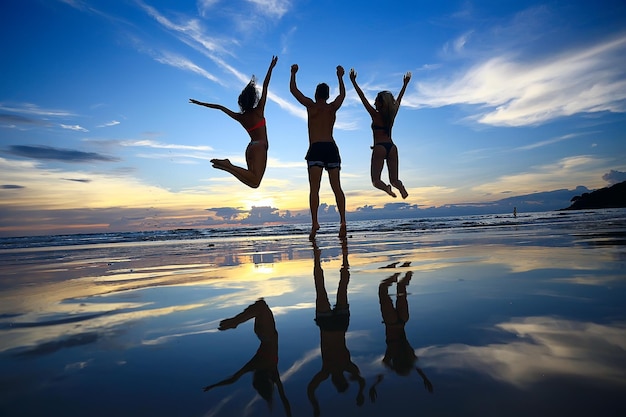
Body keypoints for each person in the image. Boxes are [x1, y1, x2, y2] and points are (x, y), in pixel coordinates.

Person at [190, 55, 278, 188]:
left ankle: (227, 167)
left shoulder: (241, 117)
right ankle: (228, 165)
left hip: (250, 148)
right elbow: (265, 86)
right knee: (256, 180)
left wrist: (200, 103)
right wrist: (271, 67)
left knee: (253, 183)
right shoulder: (259, 110)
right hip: (260, 147)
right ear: (253, 98)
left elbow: (220, 107)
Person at [203, 299, 292, 416]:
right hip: (262, 334)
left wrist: (287, 412)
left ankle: (235, 322)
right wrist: (213, 386)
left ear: (268, 381)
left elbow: (283, 397)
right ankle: (235, 322)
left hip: (267, 334)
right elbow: (233, 379)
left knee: (261, 306)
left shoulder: (272, 371)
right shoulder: (254, 366)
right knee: (260, 306)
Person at [307, 240, 365, 417]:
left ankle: (322, 259)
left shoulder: (328, 371)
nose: (338, 379)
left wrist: (316, 406)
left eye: (338, 381)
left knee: (324, 287)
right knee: (339, 287)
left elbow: (311, 388)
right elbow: (361, 381)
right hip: (338, 325)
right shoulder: (345, 367)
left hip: (330, 325)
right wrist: (360, 392)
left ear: (335, 381)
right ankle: (344, 258)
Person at [290, 64, 347, 240]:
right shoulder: (332, 108)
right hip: (330, 147)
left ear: (316, 94)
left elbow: (294, 90)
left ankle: (315, 222)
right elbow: (342, 95)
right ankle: (343, 222)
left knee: (314, 189)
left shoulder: (311, 105)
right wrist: (340, 77)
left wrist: (293, 73)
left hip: (316, 148)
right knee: (337, 187)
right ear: (327, 95)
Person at [368, 270, 433, 403]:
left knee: (401, 288)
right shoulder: (392, 354)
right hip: (391, 323)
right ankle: (394, 275)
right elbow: (384, 367)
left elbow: (416, 367)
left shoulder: (409, 356)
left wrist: (425, 378)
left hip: (403, 321)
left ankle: (407, 270)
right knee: (382, 289)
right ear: (397, 364)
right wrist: (374, 385)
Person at [349, 69, 411, 199]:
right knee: (395, 180)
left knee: (376, 181)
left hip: (380, 148)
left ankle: (386, 188)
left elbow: (362, 98)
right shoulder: (392, 115)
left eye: (376, 101)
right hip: (392, 147)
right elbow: (399, 99)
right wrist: (405, 84)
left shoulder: (375, 115)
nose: (374, 103)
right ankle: (401, 188)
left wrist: (353, 82)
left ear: (381, 103)